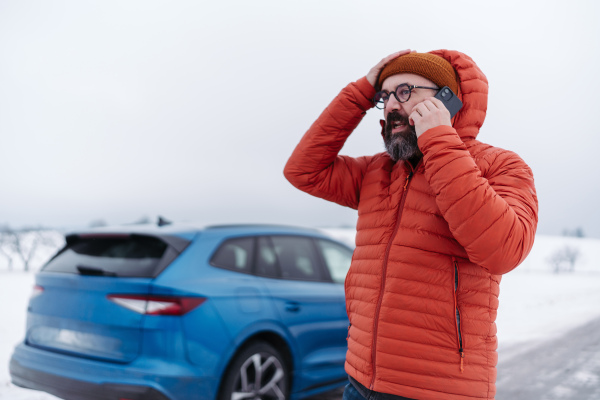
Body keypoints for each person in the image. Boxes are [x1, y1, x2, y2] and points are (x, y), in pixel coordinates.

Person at [283, 49, 538, 400]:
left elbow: (504, 250)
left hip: (439, 390)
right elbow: (302, 171)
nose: (390, 106)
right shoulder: (376, 172)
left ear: (447, 101)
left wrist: (439, 140)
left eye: (405, 91)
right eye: (384, 96)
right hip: (359, 381)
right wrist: (359, 93)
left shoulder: (501, 166)